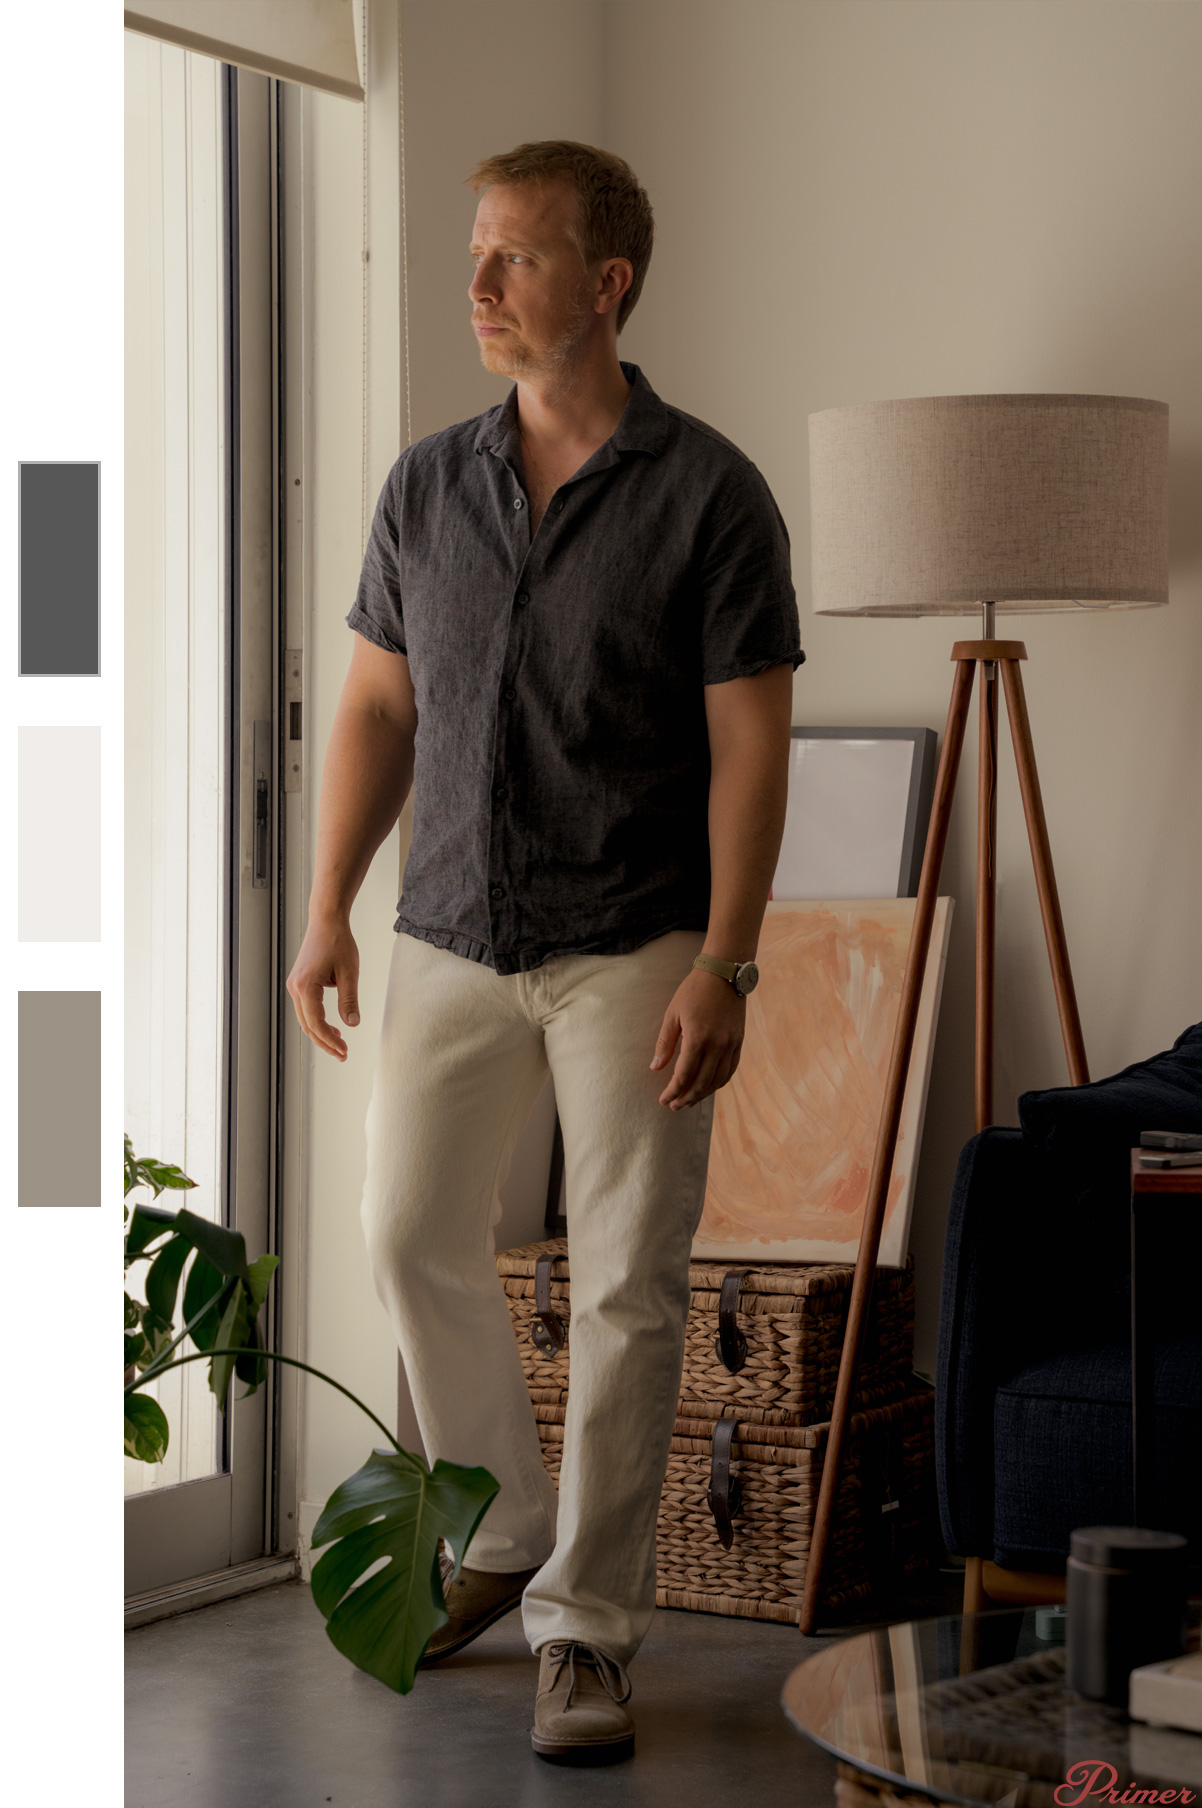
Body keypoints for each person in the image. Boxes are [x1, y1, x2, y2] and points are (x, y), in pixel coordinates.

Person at [287, 139, 802, 1766]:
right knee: (404, 1234)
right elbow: (379, 706)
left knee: (631, 1283)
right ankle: (505, 1534)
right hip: (446, 925)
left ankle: (585, 1628)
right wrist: (322, 909)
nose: (480, 286)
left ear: (607, 282)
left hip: (633, 941)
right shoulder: (423, 486)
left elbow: (749, 746)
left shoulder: (711, 493)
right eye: (475, 255)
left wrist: (724, 961)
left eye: (513, 258)